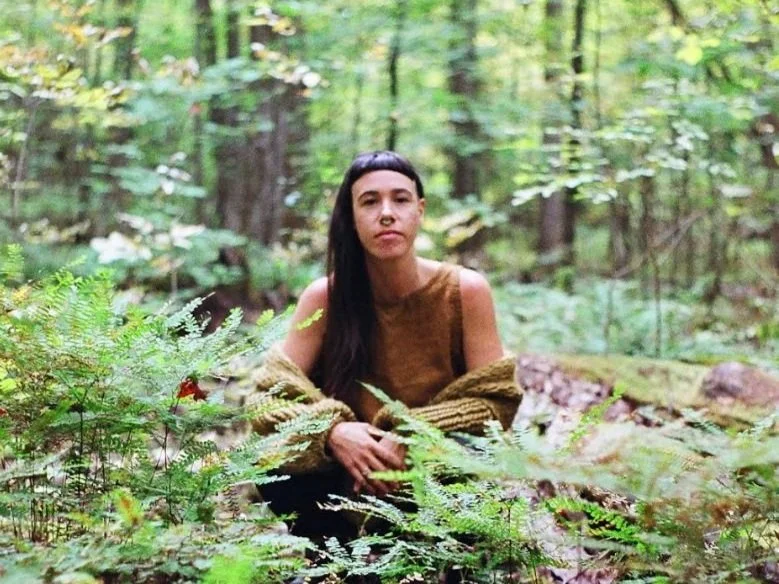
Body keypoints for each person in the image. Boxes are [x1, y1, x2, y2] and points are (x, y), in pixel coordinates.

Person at [247, 151, 521, 537]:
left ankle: (436, 558)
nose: (387, 213)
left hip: (435, 474)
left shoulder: (465, 291)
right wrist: (333, 433)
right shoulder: (325, 297)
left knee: (477, 454)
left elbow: (497, 403)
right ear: (352, 216)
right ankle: (334, 562)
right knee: (273, 457)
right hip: (345, 479)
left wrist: (412, 435)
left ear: (420, 210)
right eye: (370, 202)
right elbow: (266, 399)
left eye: (401, 199)